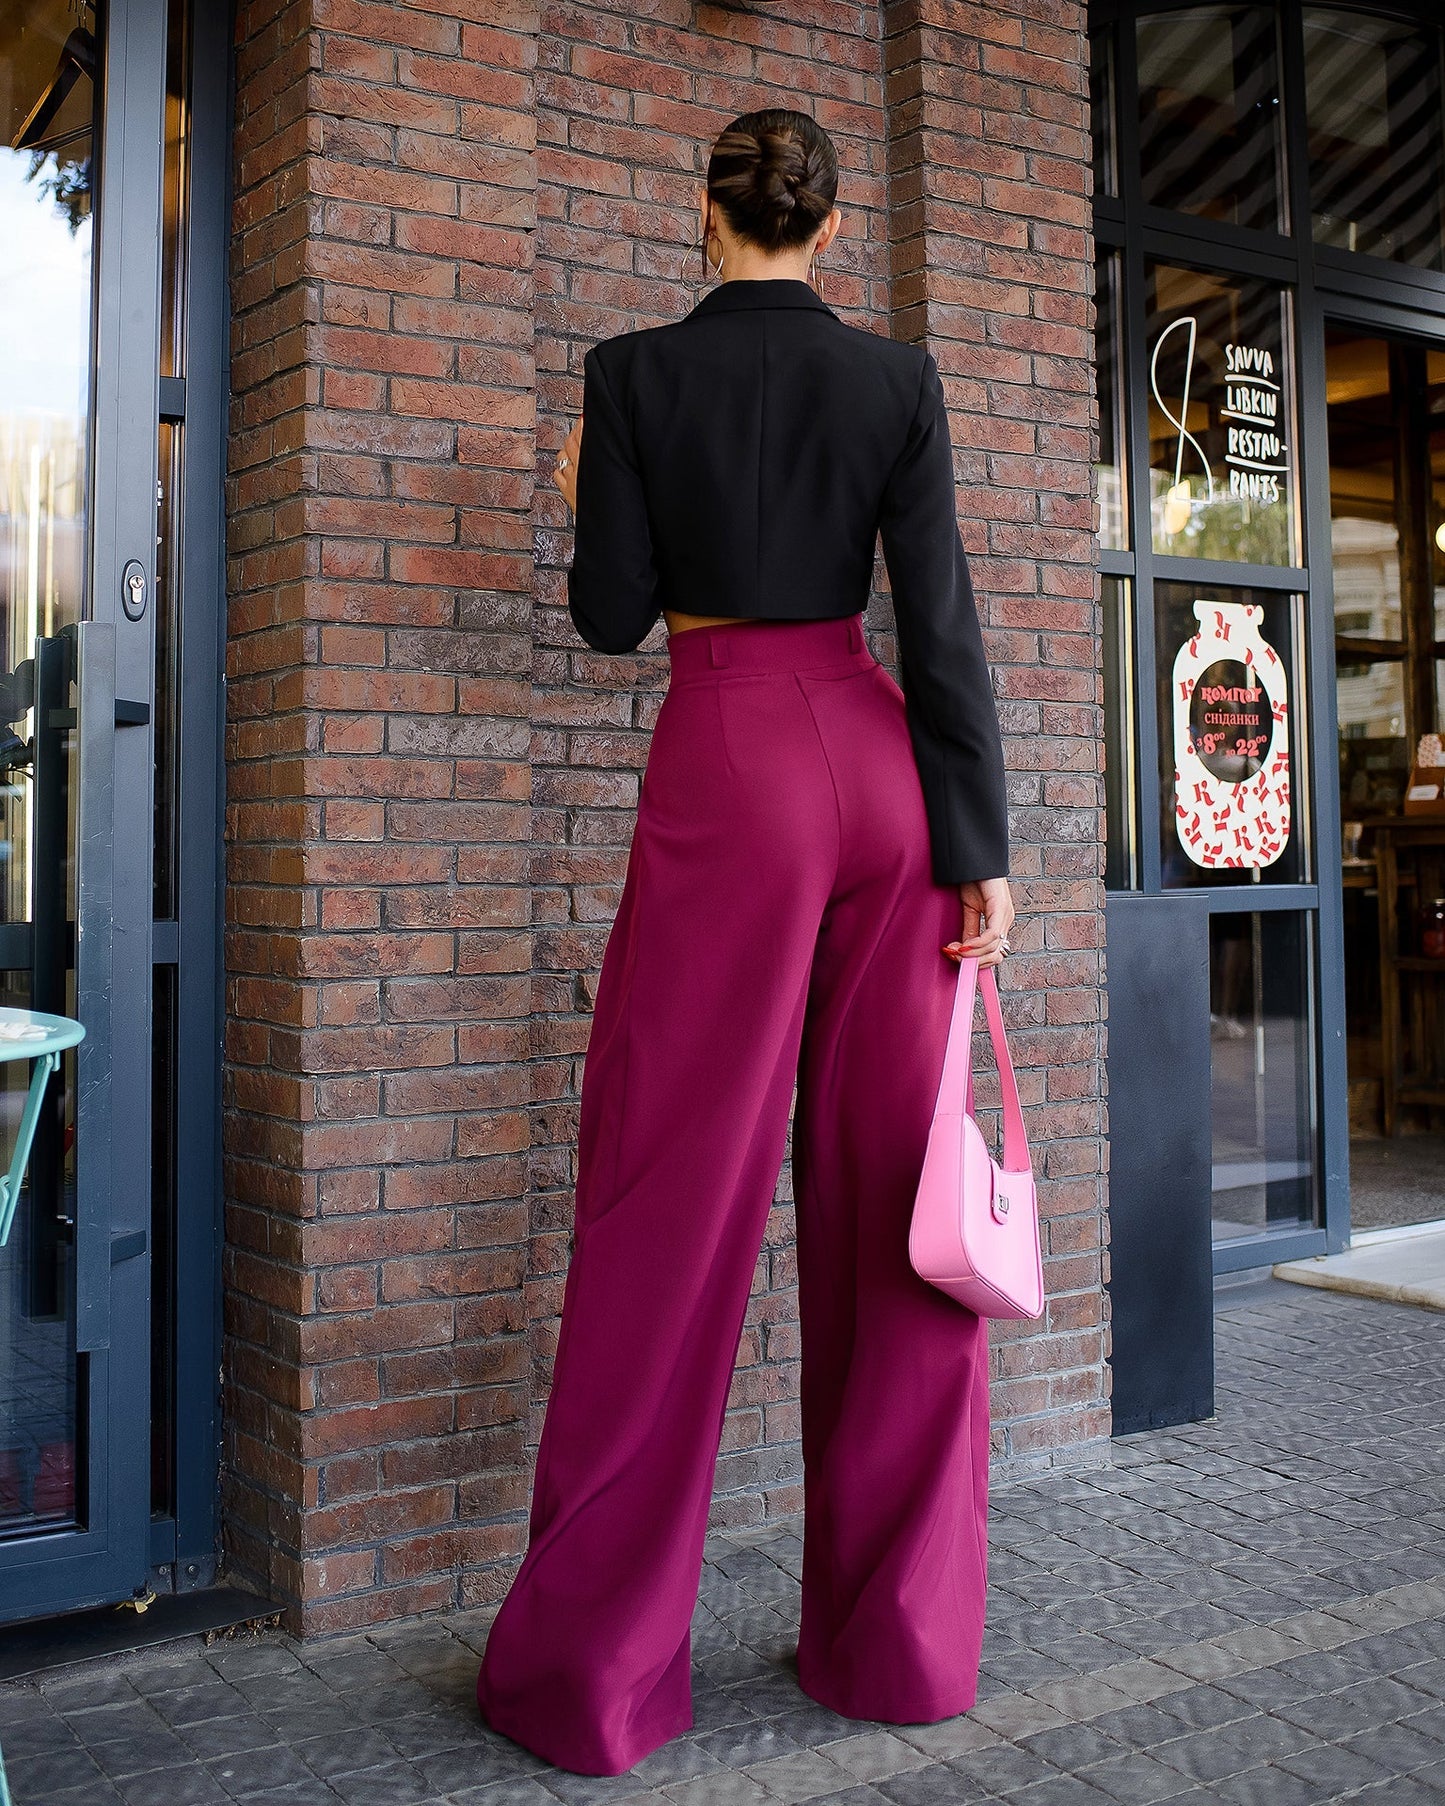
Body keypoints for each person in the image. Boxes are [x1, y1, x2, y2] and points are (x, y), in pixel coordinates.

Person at [476, 106, 1015, 1778]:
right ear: (830, 231)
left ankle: (598, 1679)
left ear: (701, 213)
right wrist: (980, 849)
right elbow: (939, 622)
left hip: (729, 759)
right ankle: (897, 1646)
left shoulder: (633, 371)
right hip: (882, 775)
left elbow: (612, 616)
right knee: (890, 1209)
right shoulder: (897, 380)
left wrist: (582, 493)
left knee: (670, 1199)